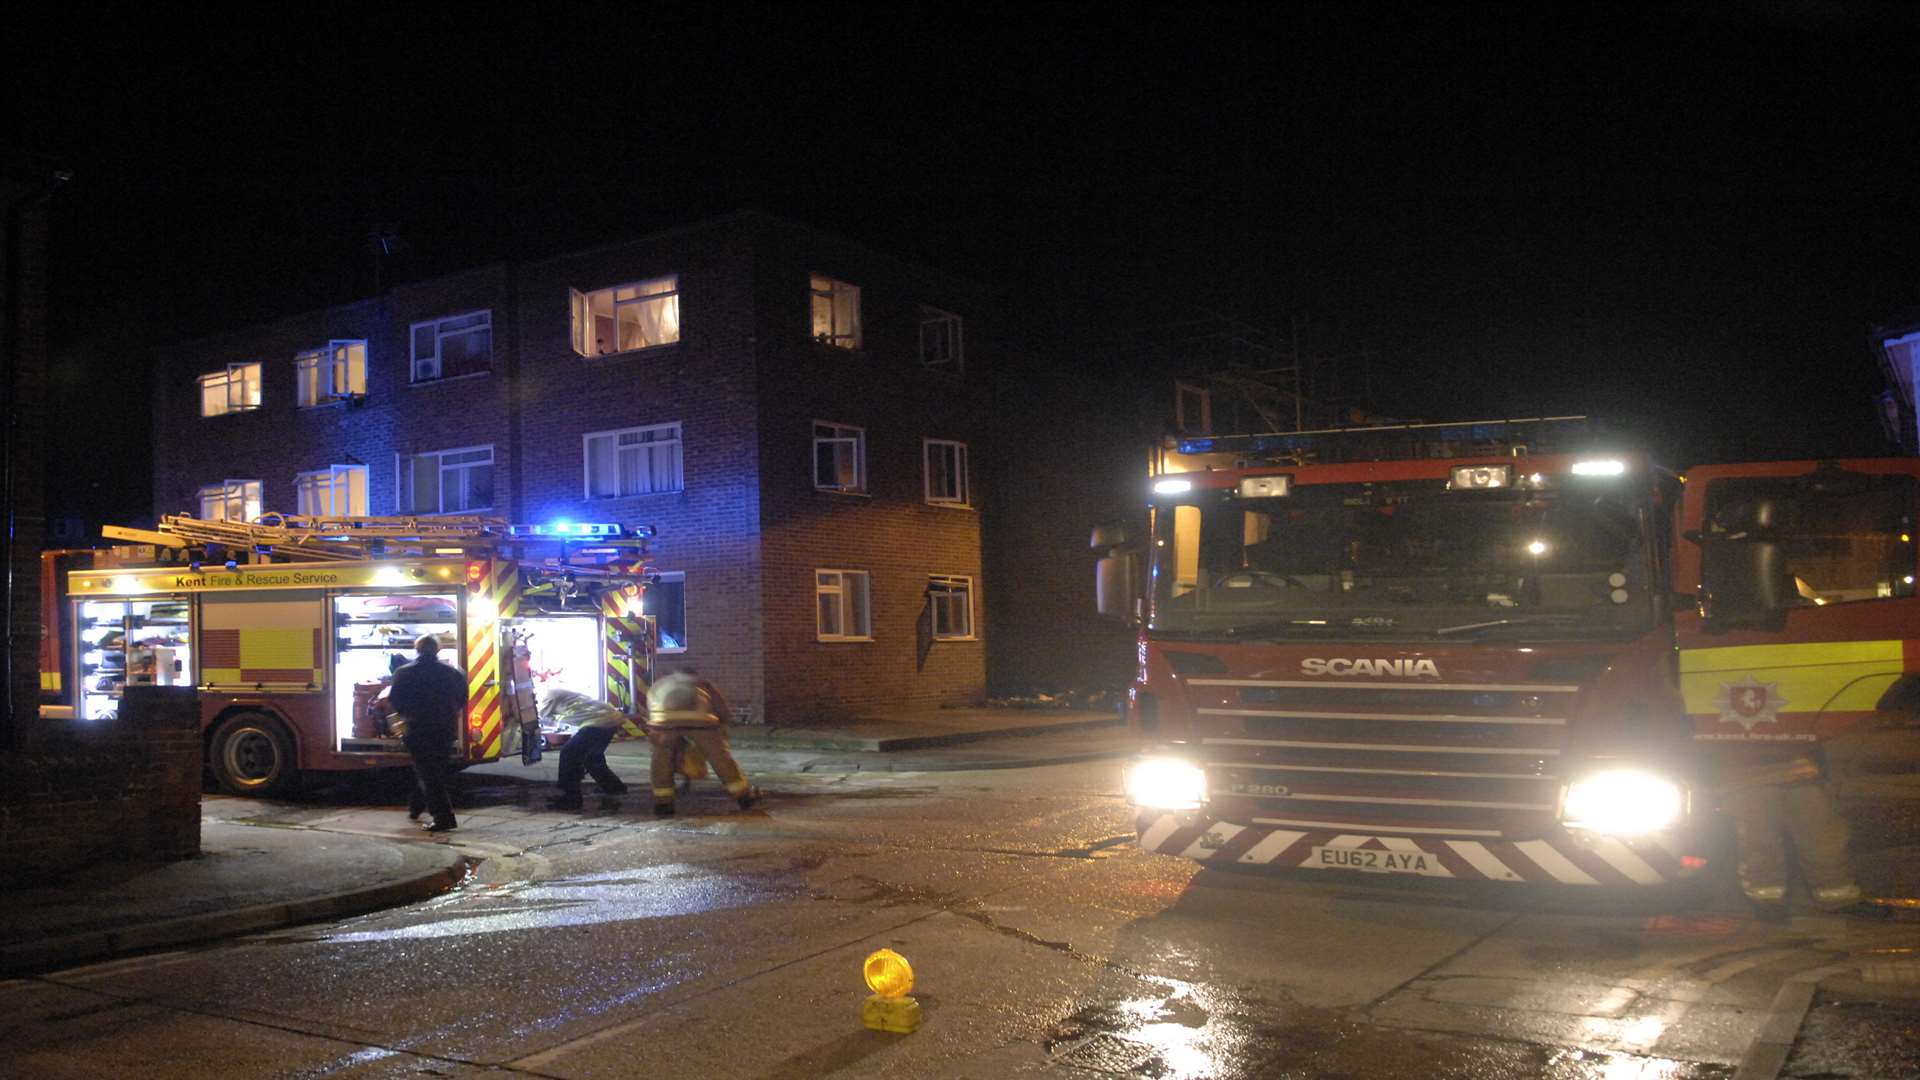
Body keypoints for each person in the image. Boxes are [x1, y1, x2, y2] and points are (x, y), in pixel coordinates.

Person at [644, 669, 759, 817]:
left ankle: (663, 804)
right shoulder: (701, 683)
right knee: (719, 757)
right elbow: (720, 706)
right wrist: (723, 724)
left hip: (664, 721)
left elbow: (650, 706)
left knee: (661, 759)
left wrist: (655, 730)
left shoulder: (660, 684)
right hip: (700, 721)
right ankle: (743, 797)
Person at [388, 634, 466, 832]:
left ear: (417, 650)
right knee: (432, 770)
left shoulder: (403, 672)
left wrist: (409, 715)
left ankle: (443, 818)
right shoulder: (453, 672)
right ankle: (416, 807)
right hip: (445, 729)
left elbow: (395, 701)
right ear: (438, 649)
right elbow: (462, 699)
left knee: (428, 772)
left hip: (418, 729)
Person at [540, 687, 631, 810]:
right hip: (611, 718)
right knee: (592, 757)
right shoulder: (567, 694)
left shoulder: (549, 694)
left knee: (569, 753)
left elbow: (543, 715)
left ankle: (570, 798)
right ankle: (614, 787)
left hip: (597, 722)